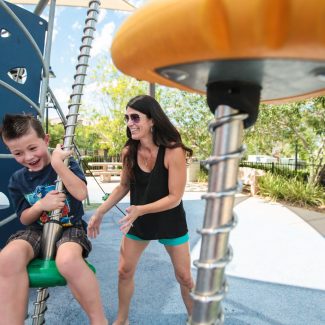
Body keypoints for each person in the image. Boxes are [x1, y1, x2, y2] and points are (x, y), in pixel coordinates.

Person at [88, 95, 194, 325]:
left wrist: (140, 210)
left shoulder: (173, 151)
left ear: (152, 120)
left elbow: (175, 197)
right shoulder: (129, 151)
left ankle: (197, 318)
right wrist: (100, 212)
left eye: (135, 117)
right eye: (127, 118)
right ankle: (121, 320)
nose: (129, 122)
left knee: (185, 277)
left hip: (169, 220)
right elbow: (124, 186)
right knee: (124, 271)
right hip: (139, 218)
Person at [0, 114, 108, 325]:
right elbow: (24, 218)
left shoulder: (67, 164)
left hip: (69, 227)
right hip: (35, 230)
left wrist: (59, 165)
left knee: (67, 261)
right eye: (18, 153)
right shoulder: (17, 180)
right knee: (6, 259)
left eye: (33, 148)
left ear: (46, 140)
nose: (28, 157)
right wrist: (40, 205)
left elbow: (80, 193)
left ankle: (98, 320)